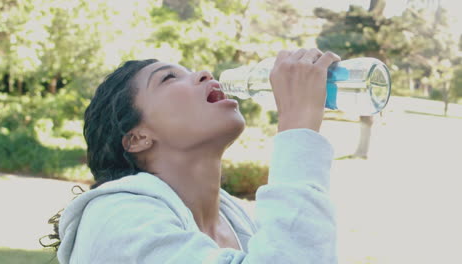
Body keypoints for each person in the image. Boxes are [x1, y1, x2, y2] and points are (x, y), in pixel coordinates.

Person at [45, 48, 340, 263]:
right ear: (137, 138)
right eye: (169, 78)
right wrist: (298, 127)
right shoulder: (117, 221)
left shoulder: (233, 220)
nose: (204, 74)